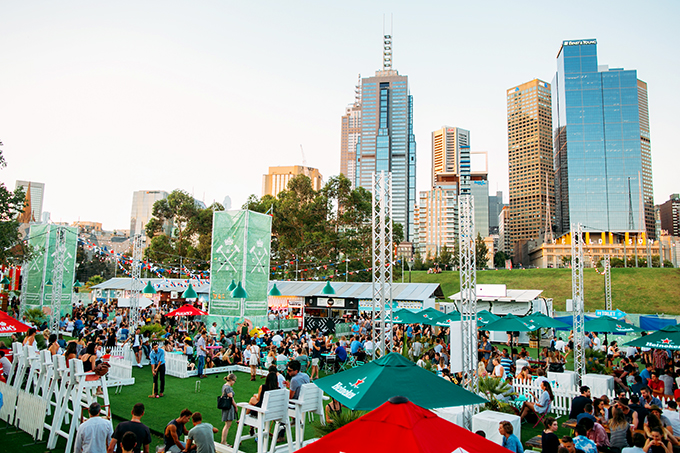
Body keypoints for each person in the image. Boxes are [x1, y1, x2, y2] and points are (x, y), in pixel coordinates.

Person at [220, 374, 238, 446]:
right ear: (231, 380)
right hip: (229, 407)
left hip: (226, 406)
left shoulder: (224, 386)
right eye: (234, 381)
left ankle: (223, 441)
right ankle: (223, 441)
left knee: (227, 425)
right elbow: (231, 398)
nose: (234, 382)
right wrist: (235, 406)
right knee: (227, 425)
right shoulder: (228, 388)